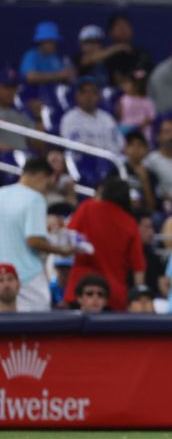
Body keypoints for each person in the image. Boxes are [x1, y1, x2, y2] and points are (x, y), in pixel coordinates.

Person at [0, 157, 74, 311]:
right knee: (37, 328)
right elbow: (33, 240)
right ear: (42, 177)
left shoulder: (1, 193)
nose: (46, 190)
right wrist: (63, 251)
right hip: (27, 276)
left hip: (2, 277)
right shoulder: (35, 198)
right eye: (48, 185)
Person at [64, 178, 146, 312]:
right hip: (113, 294)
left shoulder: (87, 207)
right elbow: (138, 267)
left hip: (82, 289)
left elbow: (68, 239)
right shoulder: (130, 222)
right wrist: (139, 297)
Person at [59, 76, 125, 154]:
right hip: (84, 162)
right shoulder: (69, 118)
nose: (89, 96)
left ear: (99, 96)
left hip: (111, 162)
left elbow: (121, 145)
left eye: (93, 92)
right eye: (84, 92)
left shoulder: (107, 118)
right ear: (77, 96)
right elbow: (72, 147)